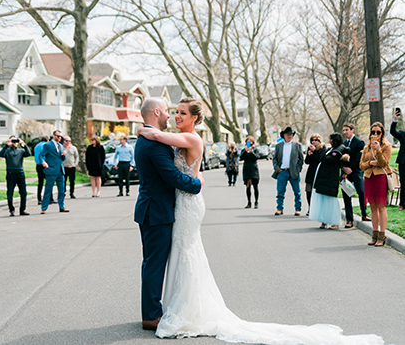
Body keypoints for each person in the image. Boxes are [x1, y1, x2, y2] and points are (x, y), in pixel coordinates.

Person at [138, 99, 383, 344]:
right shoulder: (172, 138)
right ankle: (173, 305)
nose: (176, 116)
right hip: (179, 203)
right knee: (179, 254)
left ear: (194, 118)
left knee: (186, 252)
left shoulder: (190, 139)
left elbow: (162, 140)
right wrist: (193, 174)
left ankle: (182, 308)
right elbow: (173, 153)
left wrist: (145, 130)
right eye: (175, 112)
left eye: (181, 113)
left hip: (188, 203)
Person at [134, 97, 203, 331]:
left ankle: (156, 309)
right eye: (168, 111)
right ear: (156, 111)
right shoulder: (154, 142)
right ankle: (152, 315)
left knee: (156, 262)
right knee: (155, 264)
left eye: (180, 112)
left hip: (156, 208)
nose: (170, 116)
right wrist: (197, 185)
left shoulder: (149, 138)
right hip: (157, 211)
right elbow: (172, 177)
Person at [360, 122, 392, 247]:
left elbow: (383, 163)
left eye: (378, 132)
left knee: (381, 206)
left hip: (380, 178)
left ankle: (382, 235)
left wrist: (378, 149)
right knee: (372, 207)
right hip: (369, 177)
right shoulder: (367, 147)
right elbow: (361, 165)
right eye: (373, 132)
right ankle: (374, 234)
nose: (375, 134)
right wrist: (371, 163)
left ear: (382, 133)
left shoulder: (386, 146)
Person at [309, 133, 350, 229]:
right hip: (324, 178)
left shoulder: (338, 150)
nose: (329, 141)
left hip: (331, 179)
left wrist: (320, 150)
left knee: (331, 201)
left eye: (331, 139)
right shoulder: (331, 149)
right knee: (323, 200)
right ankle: (324, 220)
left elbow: (326, 159)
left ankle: (334, 222)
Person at [342, 123, 371, 228]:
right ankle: (349, 220)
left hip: (357, 171)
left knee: (361, 192)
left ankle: (364, 214)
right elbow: (341, 158)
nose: (345, 132)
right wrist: (344, 171)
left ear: (352, 130)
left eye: (347, 130)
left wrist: (351, 169)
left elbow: (359, 158)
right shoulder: (344, 143)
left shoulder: (359, 142)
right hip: (346, 174)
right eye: (344, 130)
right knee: (346, 195)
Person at [271, 127, 304, 216]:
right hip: (282, 172)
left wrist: (298, 170)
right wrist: (278, 169)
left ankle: (298, 209)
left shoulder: (297, 145)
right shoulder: (279, 146)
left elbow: (301, 159)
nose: (289, 136)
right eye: (287, 134)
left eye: (291, 134)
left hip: (293, 172)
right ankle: (279, 208)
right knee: (280, 192)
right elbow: (274, 159)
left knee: (297, 192)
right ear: (284, 136)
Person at [0, 135, 31, 216]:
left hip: (20, 173)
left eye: (15, 141)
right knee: (10, 193)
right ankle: (11, 210)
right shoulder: (7, 151)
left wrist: (23, 144)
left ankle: (22, 209)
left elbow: (29, 153)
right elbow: (1, 154)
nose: (14, 143)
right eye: (12, 141)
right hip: (10, 173)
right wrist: (6, 145)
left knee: (23, 193)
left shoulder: (21, 151)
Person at [39, 130, 68, 214]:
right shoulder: (48, 145)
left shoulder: (61, 145)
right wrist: (43, 162)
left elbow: (62, 158)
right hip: (51, 170)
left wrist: (64, 155)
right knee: (48, 190)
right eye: (58, 136)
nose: (59, 138)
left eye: (60, 136)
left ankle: (62, 206)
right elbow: (41, 155)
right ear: (53, 136)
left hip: (60, 170)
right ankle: (44, 208)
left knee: (62, 190)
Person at [304, 134, 326, 216]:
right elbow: (306, 161)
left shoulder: (322, 149)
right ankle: (310, 208)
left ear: (319, 140)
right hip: (311, 171)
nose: (314, 141)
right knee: (308, 191)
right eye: (312, 140)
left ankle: (317, 208)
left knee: (317, 192)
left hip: (319, 172)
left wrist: (315, 151)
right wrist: (309, 155)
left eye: (316, 140)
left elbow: (321, 159)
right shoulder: (310, 148)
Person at [390, 108, 405, 210]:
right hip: (403, 162)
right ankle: (402, 204)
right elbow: (392, 132)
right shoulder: (402, 134)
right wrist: (395, 120)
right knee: (403, 183)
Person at [239, 136, 260, 209]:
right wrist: (245, 151)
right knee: (247, 186)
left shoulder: (255, 149)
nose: (249, 142)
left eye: (250, 141)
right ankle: (249, 202)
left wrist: (252, 152)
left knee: (255, 186)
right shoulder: (244, 150)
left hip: (254, 169)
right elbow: (241, 158)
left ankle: (256, 202)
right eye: (247, 141)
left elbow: (257, 157)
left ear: (253, 142)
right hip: (246, 169)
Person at [34, 135, 55, 205]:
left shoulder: (36, 146)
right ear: (48, 140)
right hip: (45, 165)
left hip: (38, 165)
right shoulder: (46, 145)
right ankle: (50, 198)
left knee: (40, 182)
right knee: (49, 182)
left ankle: (39, 198)